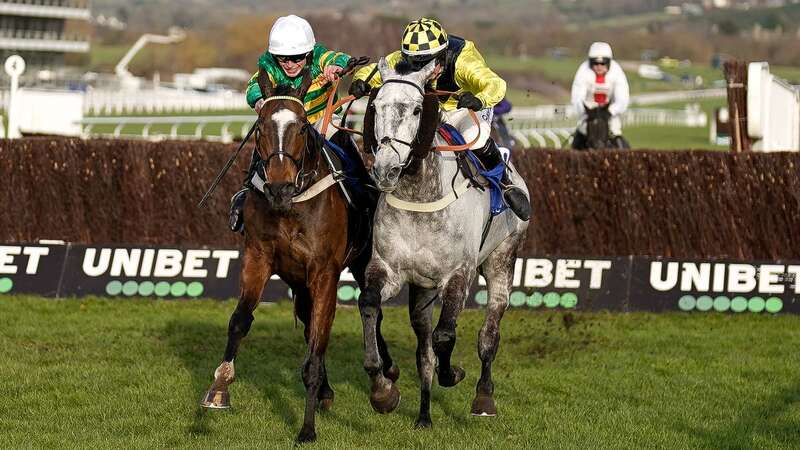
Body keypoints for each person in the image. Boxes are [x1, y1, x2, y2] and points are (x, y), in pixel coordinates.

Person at [349, 18, 530, 221]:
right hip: (429, 108)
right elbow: (371, 71)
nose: (419, 68)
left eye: (426, 62)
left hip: (462, 108)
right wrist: (360, 81)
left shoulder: (463, 59)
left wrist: (479, 99)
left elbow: (495, 84)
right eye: (414, 63)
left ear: (442, 55)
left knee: (475, 138)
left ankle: (505, 183)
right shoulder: (403, 58)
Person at [229, 15, 352, 233]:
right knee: (266, 141)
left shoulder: (319, 56)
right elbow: (252, 87)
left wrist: (335, 67)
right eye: (283, 59)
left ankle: (365, 193)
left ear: (308, 53)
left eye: (297, 58)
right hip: (288, 127)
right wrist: (260, 102)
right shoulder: (269, 66)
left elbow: (340, 57)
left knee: (349, 153)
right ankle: (246, 193)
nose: (290, 64)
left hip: (323, 120)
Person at [570, 42, 630, 150]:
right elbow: (577, 98)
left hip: (610, 112)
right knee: (580, 136)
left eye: (603, 63)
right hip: (588, 112)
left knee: (616, 133)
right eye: (595, 63)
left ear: (608, 63)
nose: (599, 67)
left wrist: (609, 112)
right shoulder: (583, 71)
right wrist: (587, 112)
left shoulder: (617, 72)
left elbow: (623, 99)